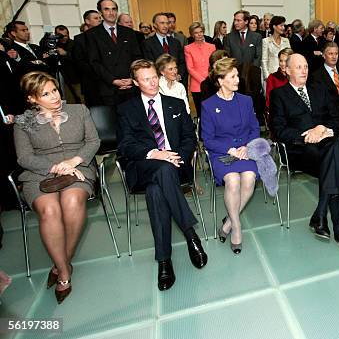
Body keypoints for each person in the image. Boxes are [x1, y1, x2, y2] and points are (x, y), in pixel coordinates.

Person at [117, 59, 207, 291]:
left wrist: (177, 155)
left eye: (154, 76)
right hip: (144, 165)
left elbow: (190, 137)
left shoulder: (175, 103)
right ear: (136, 83)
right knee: (162, 170)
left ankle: (164, 260)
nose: (153, 82)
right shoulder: (127, 109)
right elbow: (125, 146)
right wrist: (155, 153)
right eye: (146, 79)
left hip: (176, 163)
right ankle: (191, 234)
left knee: (157, 191)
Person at [13, 71, 101, 303]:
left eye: (55, 90)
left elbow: (94, 142)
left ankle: (61, 264)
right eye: (45, 93)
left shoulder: (78, 110)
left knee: (72, 200)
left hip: (78, 167)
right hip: (39, 174)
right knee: (50, 210)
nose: (54, 96)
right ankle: (64, 268)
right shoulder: (24, 122)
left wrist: (72, 162)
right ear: (32, 99)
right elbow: (24, 157)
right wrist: (55, 166)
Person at [269, 53, 339, 252]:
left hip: (325, 144)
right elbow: (278, 130)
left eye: (306, 66)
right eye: (298, 67)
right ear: (287, 70)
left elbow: (337, 119)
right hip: (300, 151)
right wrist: (306, 135)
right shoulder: (279, 94)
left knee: (334, 152)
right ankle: (331, 222)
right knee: (336, 157)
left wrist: (322, 128)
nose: (304, 70)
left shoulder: (318, 89)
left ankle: (330, 221)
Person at [201, 57, 260, 254]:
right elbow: (207, 139)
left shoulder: (246, 100)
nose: (237, 80)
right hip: (222, 153)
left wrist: (247, 147)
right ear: (220, 80)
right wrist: (230, 149)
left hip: (245, 151)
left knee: (249, 179)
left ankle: (227, 222)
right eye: (232, 76)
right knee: (233, 181)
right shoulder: (208, 105)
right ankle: (236, 226)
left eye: (237, 76)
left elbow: (254, 129)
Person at [86, 0, 142, 106]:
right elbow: (94, 62)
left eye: (114, 9)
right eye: (106, 9)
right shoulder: (92, 34)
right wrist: (113, 80)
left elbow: (137, 57)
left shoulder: (129, 33)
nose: (111, 13)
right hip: (109, 89)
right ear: (100, 12)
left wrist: (132, 78)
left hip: (130, 86)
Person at [142, 13, 188, 85]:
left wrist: (179, 75)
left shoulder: (176, 42)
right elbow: (150, 63)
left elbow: (182, 62)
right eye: (162, 23)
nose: (165, 26)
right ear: (155, 25)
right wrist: (163, 77)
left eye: (167, 23)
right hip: (159, 83)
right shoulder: (147, 43)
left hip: (177, 82)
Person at [184, 21, 216, 117]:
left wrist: (210, 79)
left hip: (211, 83)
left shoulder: (212, 46)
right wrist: (204, 81)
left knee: (214, 111)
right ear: (192, 35)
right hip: (197, 86)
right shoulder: (188, 48)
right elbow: (190, 68)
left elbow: (214, 64)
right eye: (196, 33)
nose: (199, 34)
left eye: (201, 31)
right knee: (201, 112)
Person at [309, 42, 339, 112]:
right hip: (329, 114)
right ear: (324, 55)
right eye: (330, 54)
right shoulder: (316, 76)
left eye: (336, 54)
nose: (334, 57)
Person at [261, 15, 291, 83]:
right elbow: (264, 60)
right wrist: (267, 77)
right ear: (274, 26)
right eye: (281, 25)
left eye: (284, 25)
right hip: (272, 76)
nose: (283, 28)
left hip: (285, 75)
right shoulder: (266, 41)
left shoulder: (286, 41)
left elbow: (290, 58)